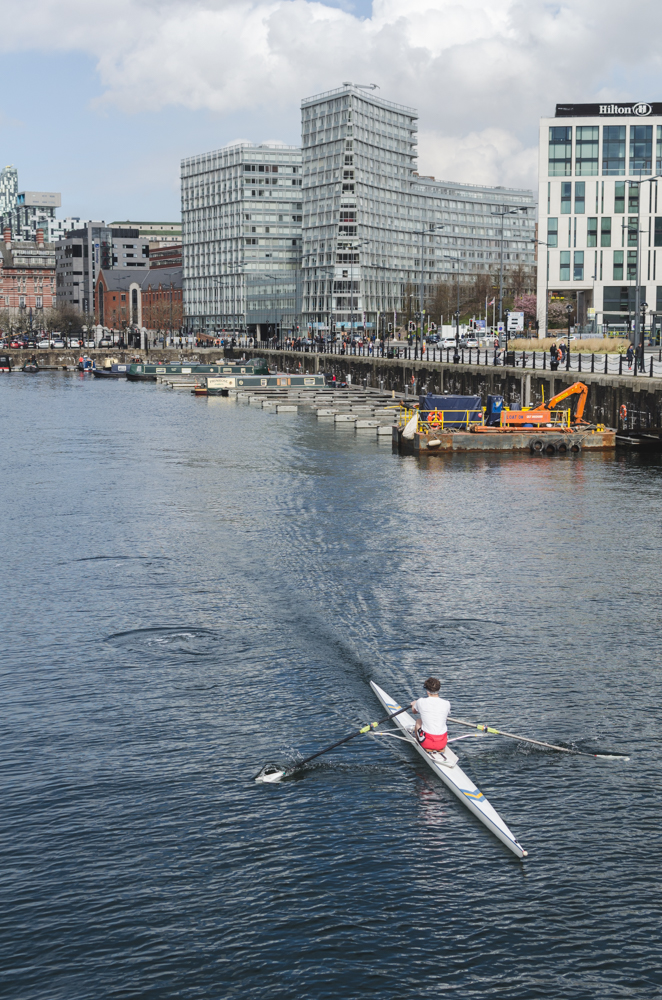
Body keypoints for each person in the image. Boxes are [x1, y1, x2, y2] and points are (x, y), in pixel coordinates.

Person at [410, 677, 451, 752]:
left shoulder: (420, 701)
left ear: (427, 691)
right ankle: (440, 748)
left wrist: (413, 704)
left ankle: (419, 741)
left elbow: (414, 711)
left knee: (418, 721)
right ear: (438, 690)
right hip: (442, 743)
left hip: (427, 742)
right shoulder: (447, 703)